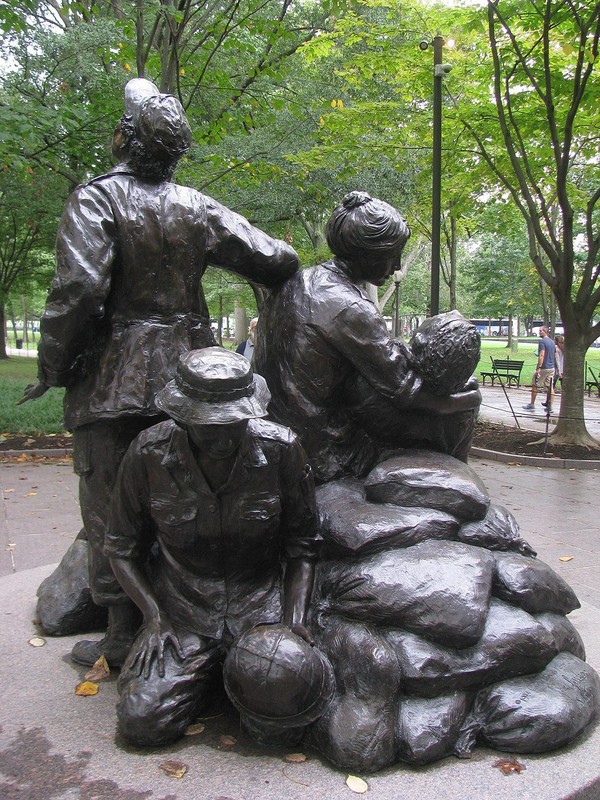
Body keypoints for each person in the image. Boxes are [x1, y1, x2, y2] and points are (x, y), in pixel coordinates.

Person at [20, 78, 300, 668]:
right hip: (193, 383)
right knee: (185, 498)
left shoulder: (96, 201)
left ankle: (125, 635)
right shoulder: (198, 207)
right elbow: (277, 258)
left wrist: (53, 365)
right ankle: (186, 623)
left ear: (123, 139)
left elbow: (77, 290)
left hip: (113, 379)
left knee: (108, 506)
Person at [103, 348, 319, 746]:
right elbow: (121, 548)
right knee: (142, 722)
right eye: (209, 426)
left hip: (260, 607)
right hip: (182, 612)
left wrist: (294, 623)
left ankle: (227, 681)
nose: (223, 436)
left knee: (280, 725)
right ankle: (207, 678)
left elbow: (302, 547)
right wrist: (152, 616)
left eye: (234, 423)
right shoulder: (147, 454)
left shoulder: (282, 450)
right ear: (183, 416)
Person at [254, 191, 481, 484]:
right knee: (458, 410)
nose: (397, 266)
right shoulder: (351, 307)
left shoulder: (298, 282)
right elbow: (407, 390)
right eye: (391, 256)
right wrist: (468, 400)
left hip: (278, 432)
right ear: (366, 255)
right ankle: (453, 483)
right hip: (324, 451)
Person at [523, 326, 556, 413]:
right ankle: (550, 406)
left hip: (544, 368)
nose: (539, 332)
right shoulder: (552, 342)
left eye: (541, 331)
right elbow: (555, 354)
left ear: (545, 332)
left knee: (534, 384)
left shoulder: (542, 342)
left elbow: (542, 354)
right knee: (550, 386)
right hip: (551, 368)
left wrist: (539, 368)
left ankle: (532, 404)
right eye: (539, 331)